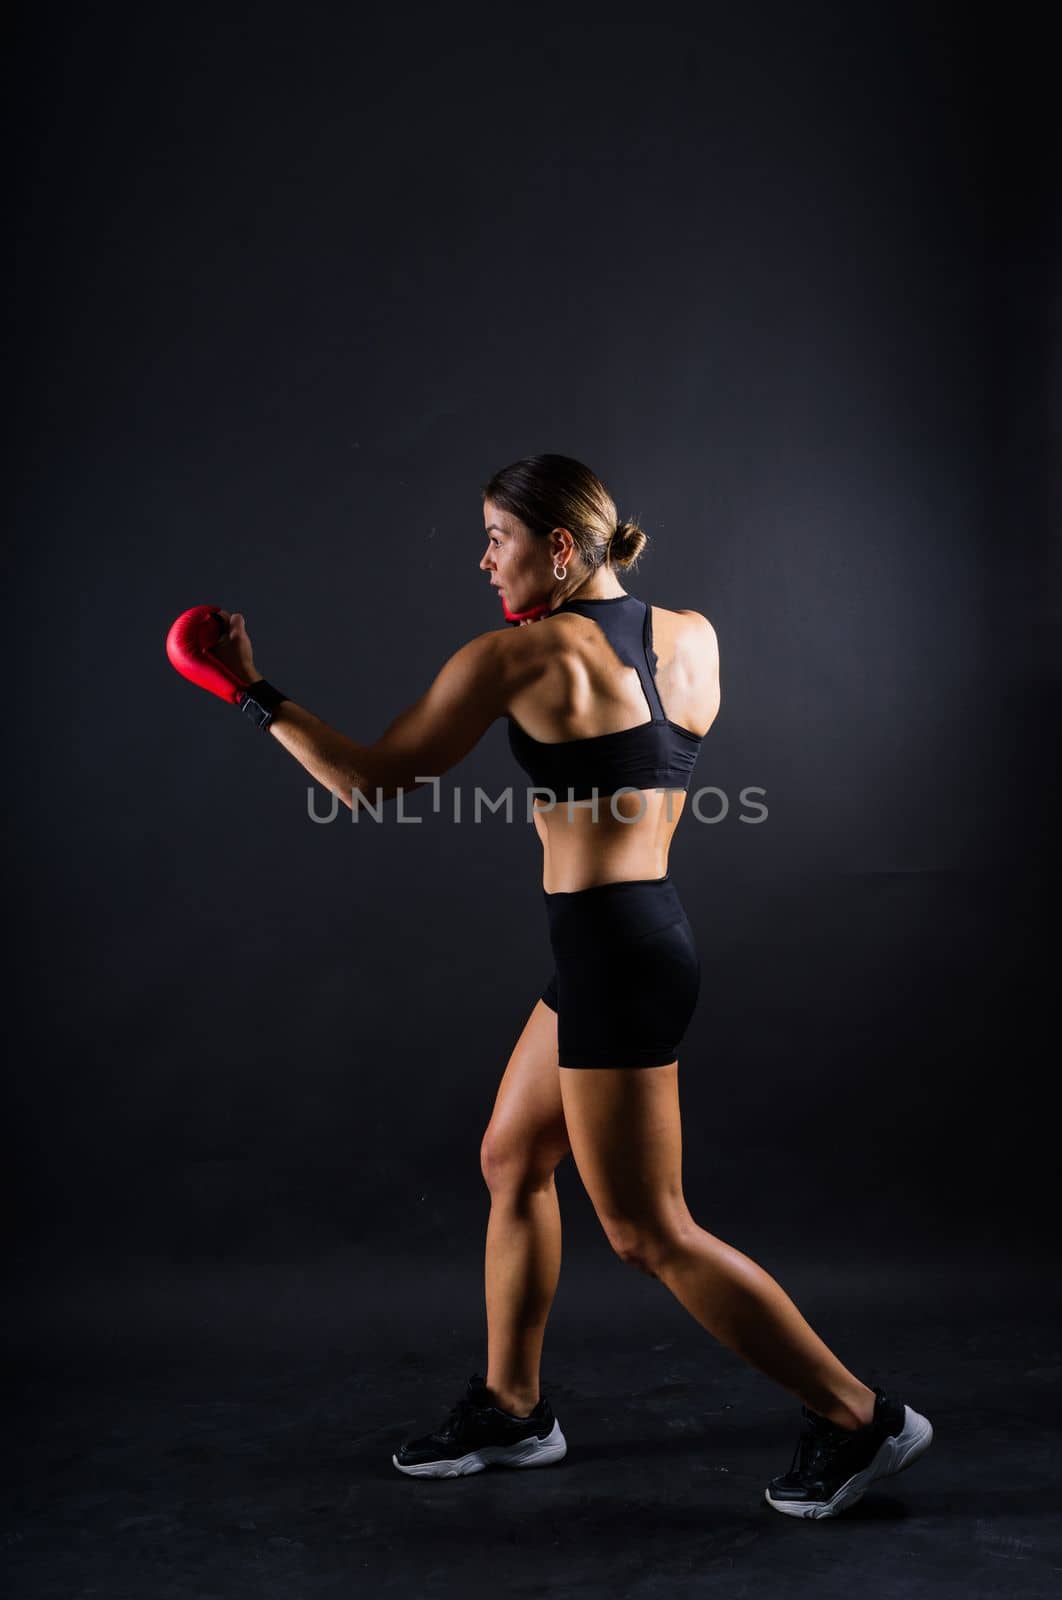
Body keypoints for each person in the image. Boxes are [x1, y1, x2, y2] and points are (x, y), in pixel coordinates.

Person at [168, 452, 933, 1517]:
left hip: (613, 957)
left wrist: (248, 690)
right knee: (511, 1156)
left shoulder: (513, 661)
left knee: (646, 1230)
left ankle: (860, 1417)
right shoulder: (692, 633)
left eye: (496, 538)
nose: (483, 562)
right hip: (634, 938)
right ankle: (513, 1408)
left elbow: (367, 782)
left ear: (559, 548)